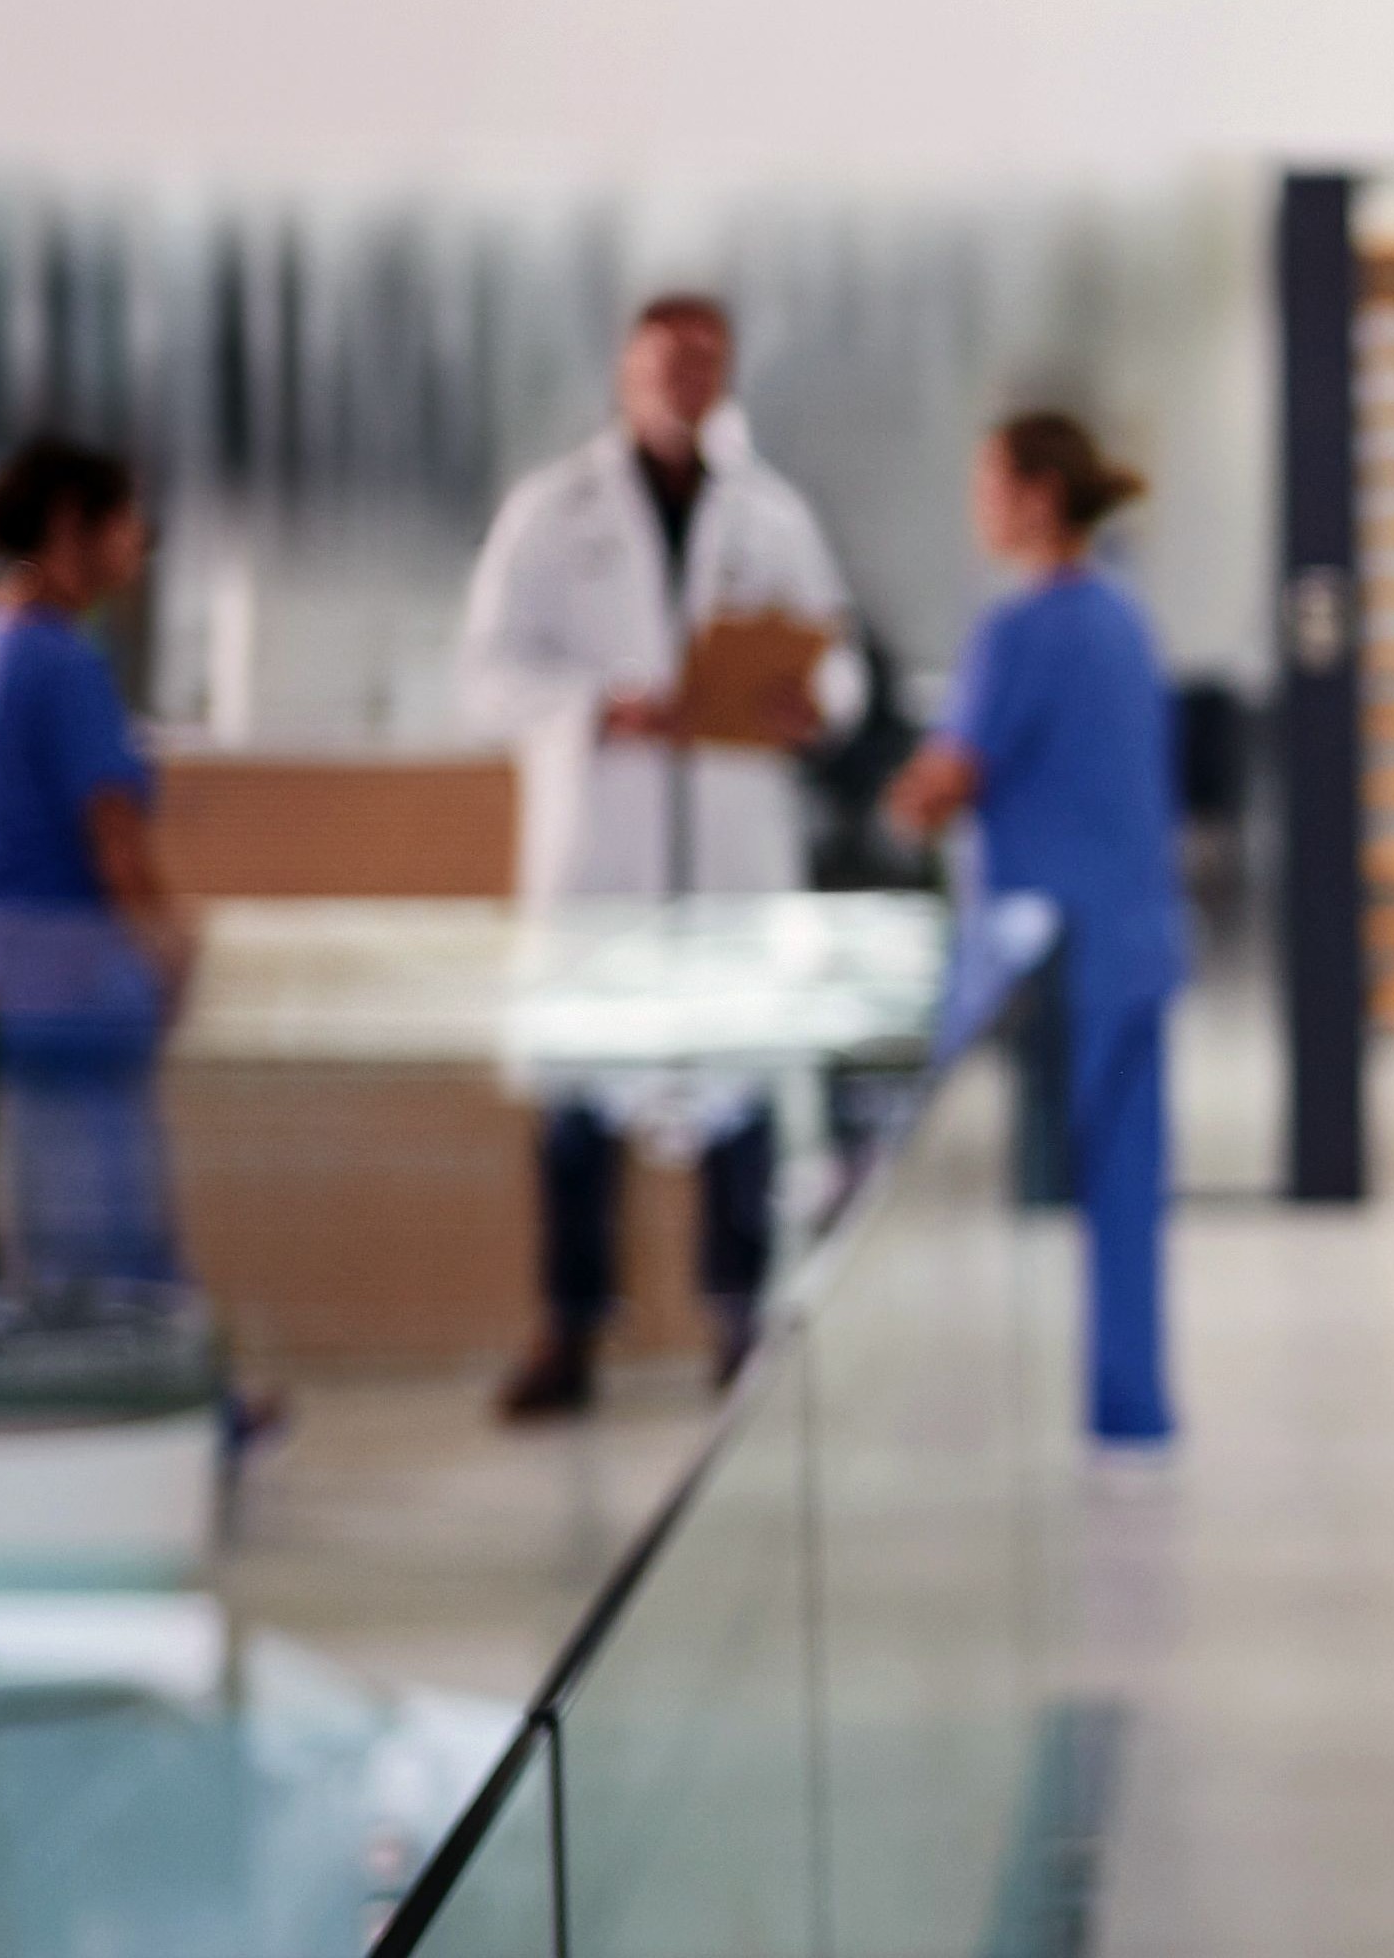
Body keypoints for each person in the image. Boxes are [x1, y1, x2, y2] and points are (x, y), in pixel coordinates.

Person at [458, 293, 853, 1416]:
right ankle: (568, 1330)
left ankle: (738, 1319)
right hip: (605, 850)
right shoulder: (551, 510)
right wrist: (598, 706)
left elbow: (840, 663)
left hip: (726, 845)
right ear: (629, 371)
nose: (688, 379)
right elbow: (487, 675)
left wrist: (807, 701)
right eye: (668, 360)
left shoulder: (770, 513)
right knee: (579, 1104)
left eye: (707, 361)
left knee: (738, 1097)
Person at [884, 412, 1182, 1445]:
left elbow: (943, 784)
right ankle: (1130, 1409)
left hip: (1051, 959)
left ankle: (971, 1421)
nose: (980, 508)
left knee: (964, 1198)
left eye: (990, 483)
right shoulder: (1125, 618)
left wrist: (884, 786)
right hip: (1138, 938)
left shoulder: (1016, 632)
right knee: (1128, 1201)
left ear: (1039, 496)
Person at [0, 437, 193, 1294]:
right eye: (125, 522)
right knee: (112, 1227)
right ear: (73, 524)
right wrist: (172, 948)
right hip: (75, 980)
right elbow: (114, 838)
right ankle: (170, 1409)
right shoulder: (62, 661)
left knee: (45, 1228)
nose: (137, 544)